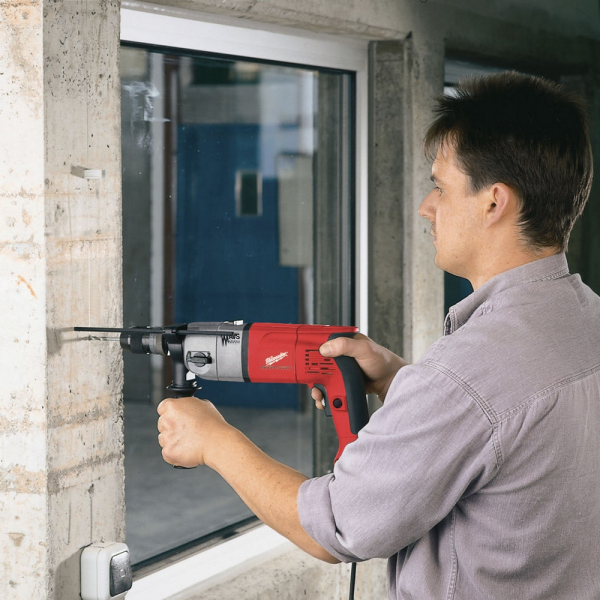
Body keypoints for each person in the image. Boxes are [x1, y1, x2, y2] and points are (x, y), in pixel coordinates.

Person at [157, 72, 600, 599]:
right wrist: (401, 383)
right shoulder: (586, 319)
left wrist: (214, 440)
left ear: (493, 202)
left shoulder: (465, 376)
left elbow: (338, 526)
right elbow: (511, 437)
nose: (426, 206)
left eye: (440, 187)